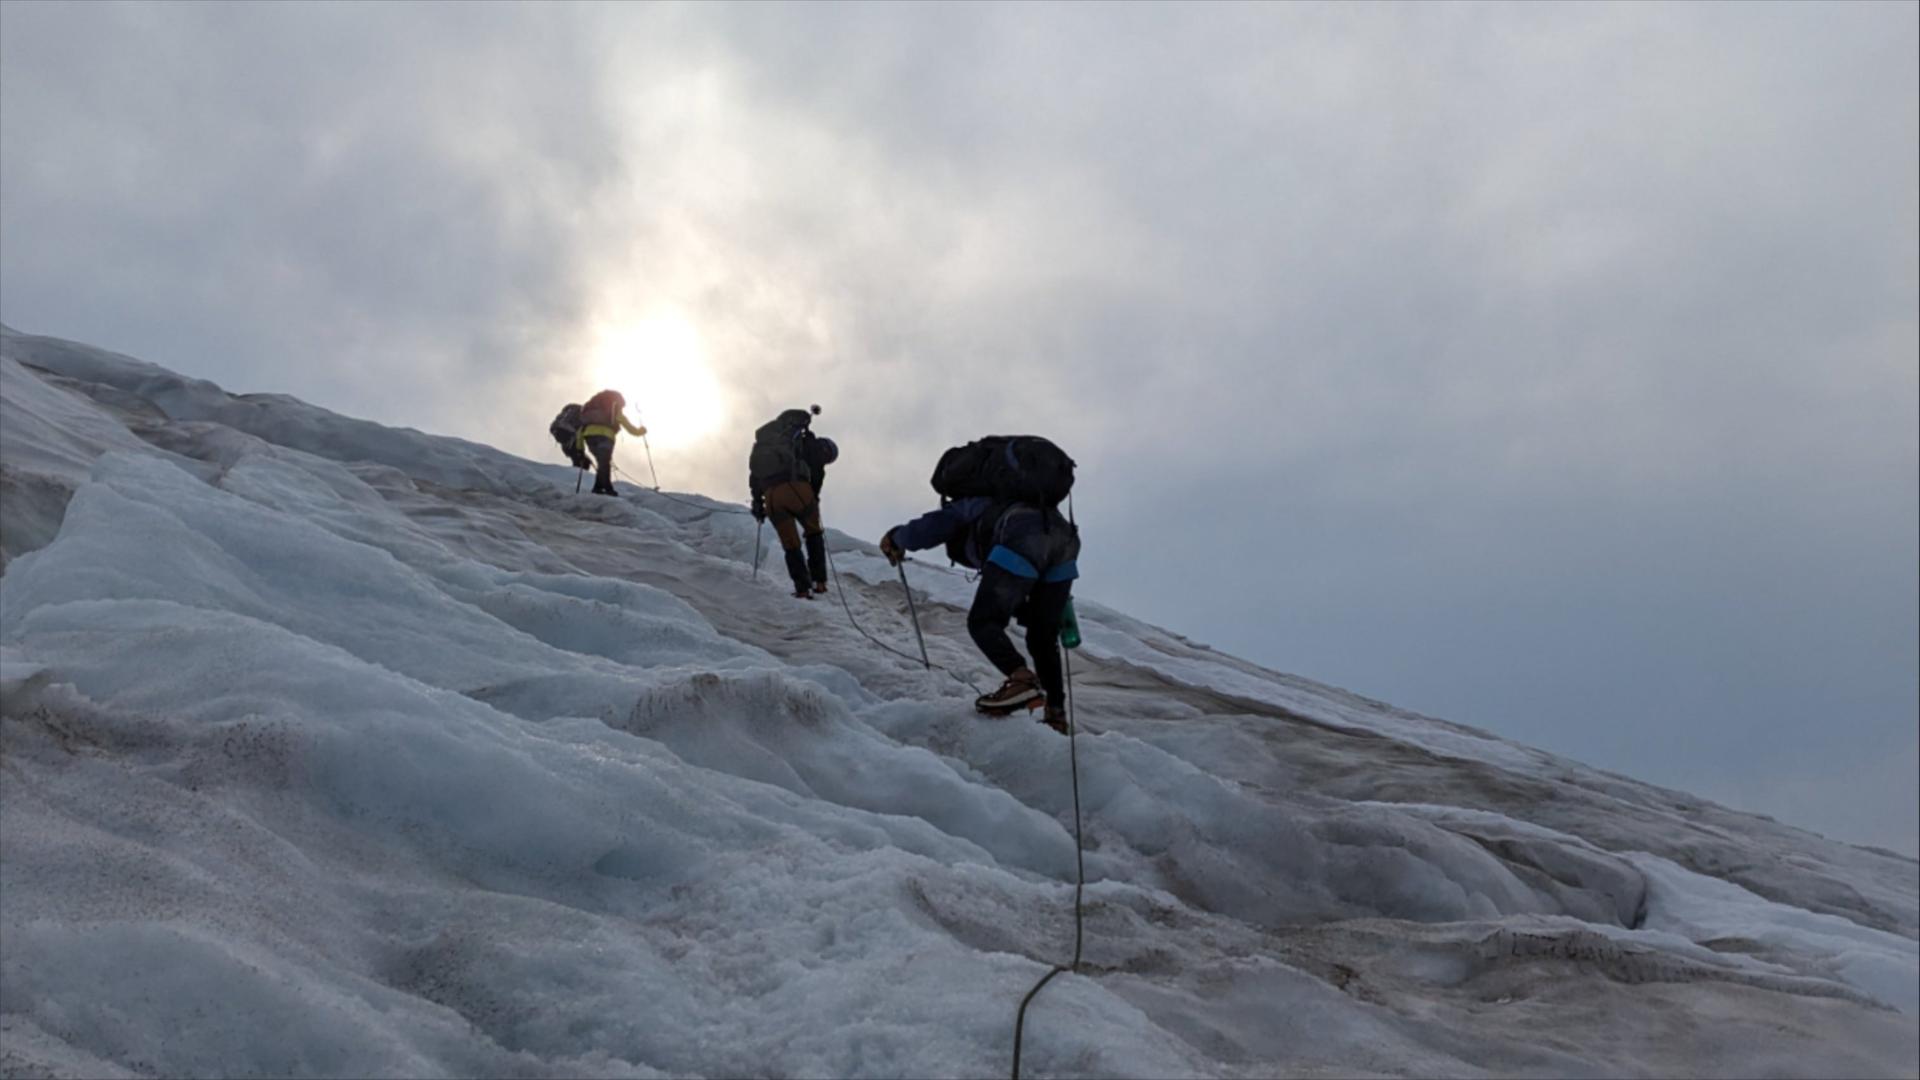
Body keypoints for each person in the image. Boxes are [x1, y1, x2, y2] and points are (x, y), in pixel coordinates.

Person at [879, 488, 1079, 733]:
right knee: (1042, 636)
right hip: (1065, 540)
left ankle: (1022, 680)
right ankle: (1055, 713)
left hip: (1021, 537)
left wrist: (897, 538)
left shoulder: (974, 502)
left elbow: (933, 527)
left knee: (983, 621)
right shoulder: (1032, 500)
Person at [748, 407, 838, 599]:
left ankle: (802, 588)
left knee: (791, 544)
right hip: (795, 487)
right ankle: (819, 582)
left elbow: (755, 477)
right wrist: (814, 498)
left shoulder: (768, 443)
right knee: (813, 532)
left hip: (771, 497)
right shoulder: (810, 444)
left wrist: (758, 503)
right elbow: (816, 475)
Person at [575, 389, 646, 496]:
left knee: (602, 462)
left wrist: (580, 449)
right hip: (605, 436)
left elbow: (580, 430)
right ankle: (608, 488)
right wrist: (641, 431)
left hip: (589, 437)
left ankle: (597, 487)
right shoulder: (614, 410)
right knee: (604, 462)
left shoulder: (590, 412)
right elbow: (630, 428)